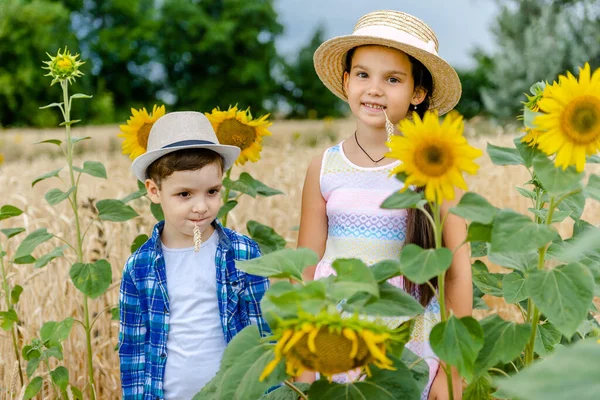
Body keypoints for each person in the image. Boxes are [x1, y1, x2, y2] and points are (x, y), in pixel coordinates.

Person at [298, 10, 471, 400]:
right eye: (363, 74)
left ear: (417, 93)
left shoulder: (435, 167)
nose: (374, 89)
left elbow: (457, 274)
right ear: (346, 82)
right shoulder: (323, 167)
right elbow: (305, 266)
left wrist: (453, 370)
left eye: (392, 79)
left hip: (408, 341)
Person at [118, 111, 270, 399]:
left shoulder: (243, 253)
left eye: (212, 191)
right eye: (185, 194)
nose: (201, 206)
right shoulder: (139, 267)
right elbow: (133, 351)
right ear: (154, 190)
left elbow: (262, 336)